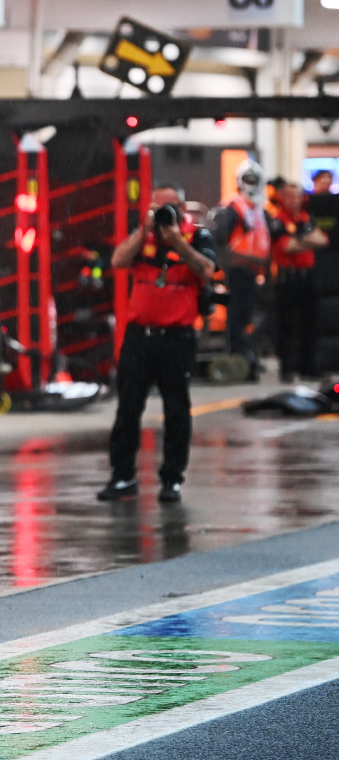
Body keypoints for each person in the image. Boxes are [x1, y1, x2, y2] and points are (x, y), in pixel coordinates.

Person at [98, 183, 217, 504]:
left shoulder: (198, 236)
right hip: (139, 337)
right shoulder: (143, 238)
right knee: (128, 410)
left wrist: (176, 239)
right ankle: (123, 476)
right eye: (157, 209)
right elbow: (118, 261)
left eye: (169, 208)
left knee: (177, 410)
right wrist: (144, 231)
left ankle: (172, 479)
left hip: (177, 339)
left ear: (182, 208)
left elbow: (206, 270)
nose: (163, 214)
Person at [215, 159, 271, 382]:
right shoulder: (234, 206)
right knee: (237, 316)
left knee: (249, 316)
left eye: (254, 180)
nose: (251, 183)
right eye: (248, 179)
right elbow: (221, 238)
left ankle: (246, 352)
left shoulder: (256, 208)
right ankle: (239, 354)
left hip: (253, 269)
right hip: (238, 269)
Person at [267, 183, 329, 382]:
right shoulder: (278, 220)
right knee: (286, 324)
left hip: (308, 275)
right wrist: (306, 240)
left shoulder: (306, 217)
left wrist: (299, 239)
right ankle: (287, 368)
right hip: (288, 276)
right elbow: (286, 246)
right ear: (283, 198)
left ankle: (309, 366)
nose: (294, 200)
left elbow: (322, 240)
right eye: (290, 196)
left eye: (297, 196)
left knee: (311, 322)